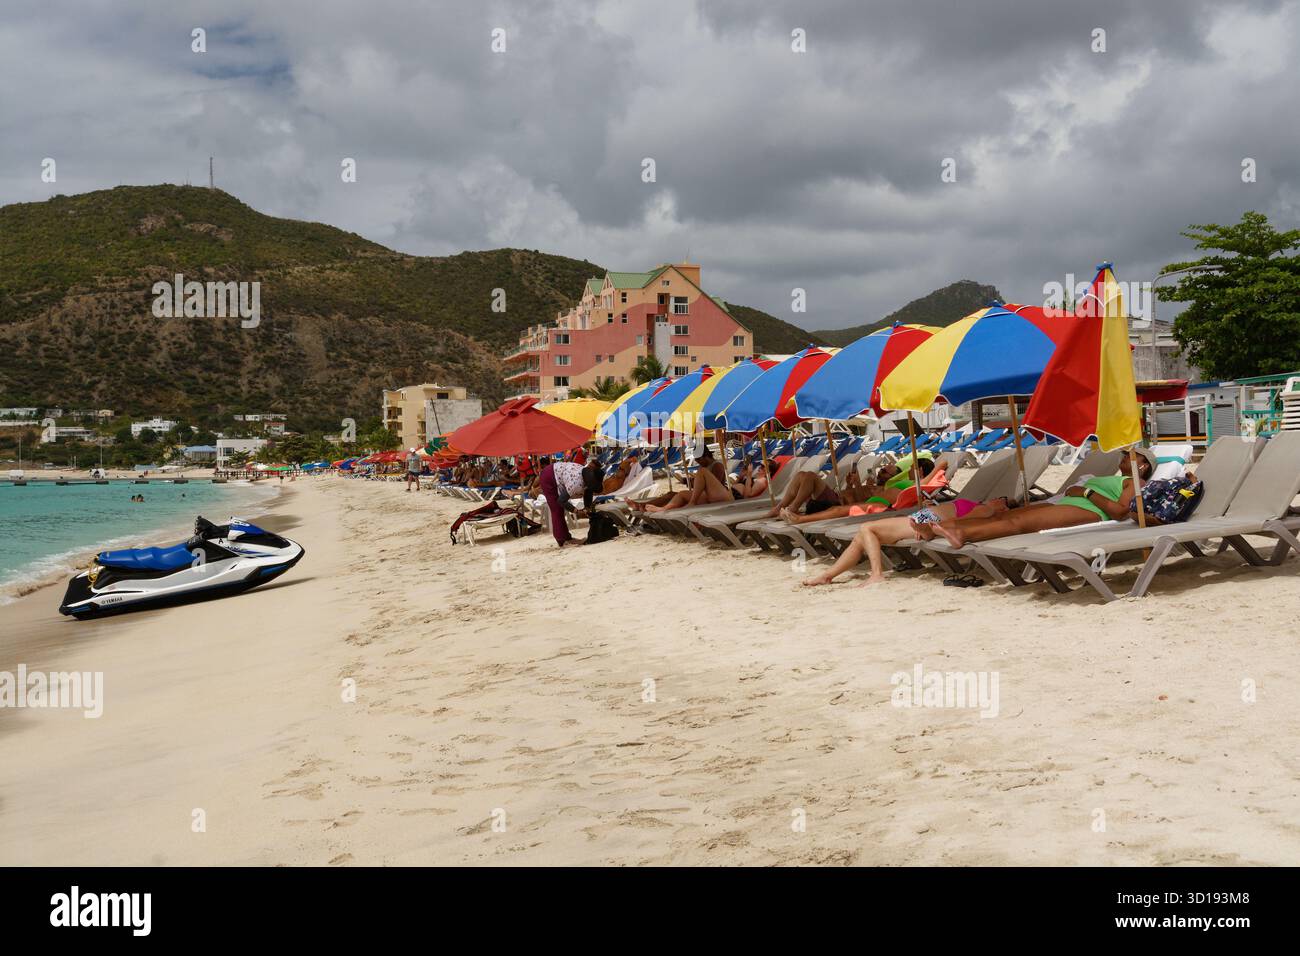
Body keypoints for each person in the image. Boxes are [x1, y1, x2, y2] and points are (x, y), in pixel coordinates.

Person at [930, 450, 1157, 548]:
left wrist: (1085, 492)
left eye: (1130, 455)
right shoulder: (1115, 478)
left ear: (1143, 465)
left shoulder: (1137, 482)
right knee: (1005, 515)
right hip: (1069, 504)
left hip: (1085, 509)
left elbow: (1119, 511)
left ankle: (957, 531)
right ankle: (943, 527)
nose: (1124, 456)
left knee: (1015, 523)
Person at [803, 496, 1016, 587]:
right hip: (925, 518)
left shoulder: (987, 509)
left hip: (928, 520)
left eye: (1004, 500)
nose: (999, 499)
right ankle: (828, 576)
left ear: (1004, 507)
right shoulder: (980, 504)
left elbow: (957, 522)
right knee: (862, 537)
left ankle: (877, 574)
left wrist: (927, 524)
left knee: (867, 528)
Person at [538, 459, 605, 546]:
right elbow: (561, 501)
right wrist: (576, 511)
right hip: (548, 476)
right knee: (557, 509)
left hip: (555, 471)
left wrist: (587, 507)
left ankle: (566, 538)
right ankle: (562, 540)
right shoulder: (576, 484)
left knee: (558, 508)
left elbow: (588, 490)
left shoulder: (586, 474)